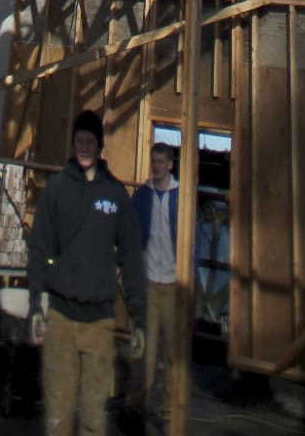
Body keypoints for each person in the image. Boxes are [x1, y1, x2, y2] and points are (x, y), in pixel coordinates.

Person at [28, 109, 146, 436]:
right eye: (79, 140)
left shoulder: (116, 196)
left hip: (100, 323)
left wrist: (138, 317)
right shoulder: (56, 190)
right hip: (61, 318)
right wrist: (35, 304)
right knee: (57, 414)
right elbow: (38, 248)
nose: (83, 146)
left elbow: (132, 258)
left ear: (99, 145)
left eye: (89, 141)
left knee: (95, 417)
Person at [132, 143, 181, 433]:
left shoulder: (180, 196)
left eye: (162, 161)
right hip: (150, 281)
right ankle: (139, 407)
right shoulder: (142, 196)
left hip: (174, 284)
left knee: (172, 354)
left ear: (171, 165)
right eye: (154, 160)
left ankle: (170, 412)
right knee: (145, 350)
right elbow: (132, 234)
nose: (157, 165)